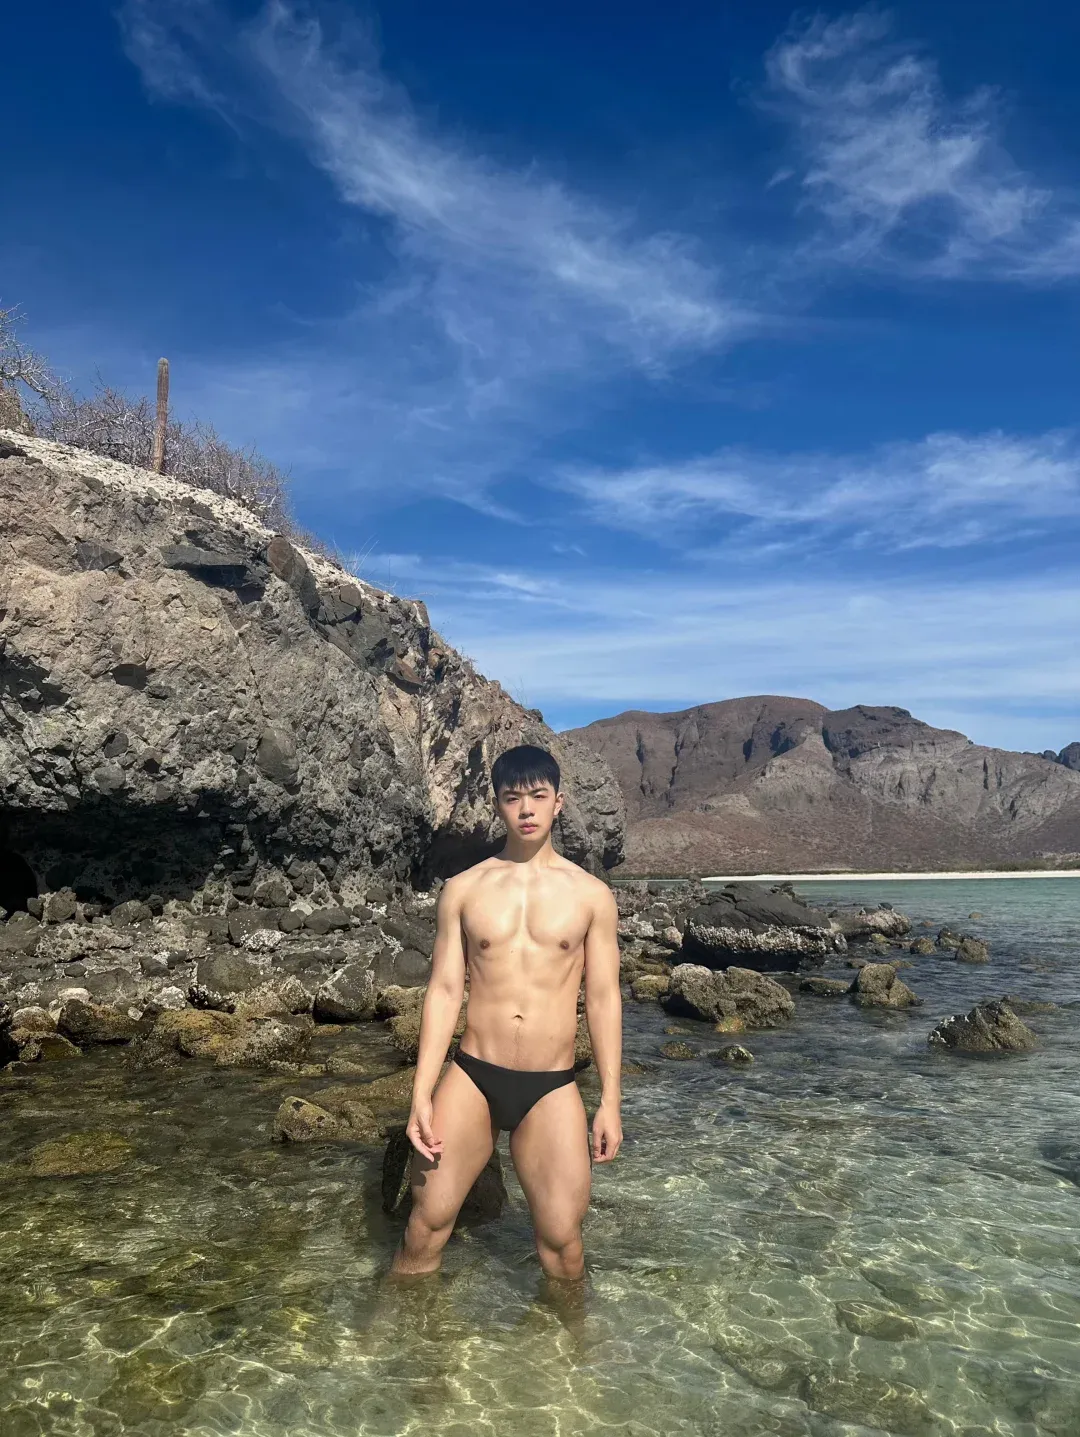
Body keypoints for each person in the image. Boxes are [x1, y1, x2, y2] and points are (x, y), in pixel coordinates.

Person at [390, 743, 623, 1281]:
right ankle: (391, 1330)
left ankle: (570, 1335)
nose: (526, 809)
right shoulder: (463, 890)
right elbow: (445, 990)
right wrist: (422, 1091)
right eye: (513, 798)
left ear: (558, 802)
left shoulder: (591, 896)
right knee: (426, 1225)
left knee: (562, 1244)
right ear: (497, 804)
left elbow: (603, 998)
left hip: (551, 1084)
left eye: (538, 796)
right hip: (473, 1074)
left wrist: (610, 1101)